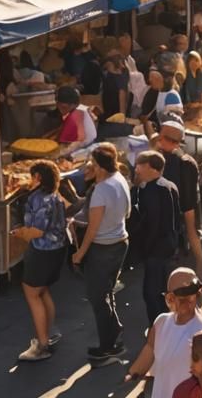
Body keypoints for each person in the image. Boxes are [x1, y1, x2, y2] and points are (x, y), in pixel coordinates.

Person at [72, 142, 131, 365]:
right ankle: (113, 334)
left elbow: (92, 229)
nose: (90, 166)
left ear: (100, 166)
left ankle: (109, 347)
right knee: (106, 293)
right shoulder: (120, 180)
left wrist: (79, 253)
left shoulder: (101, 191)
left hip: (103, 248)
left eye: (92, 164)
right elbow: (127, 213)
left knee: (98, 297)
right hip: (120, 242)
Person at [126, 268, 202, 398]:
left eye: (186, 298)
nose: (179, 303)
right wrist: (130, 375)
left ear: (197, 294)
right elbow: (150, 350)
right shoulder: (161, 322)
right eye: (172, 298)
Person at [13, 160, 69, 361]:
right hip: (57, 250)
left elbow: (36, 231)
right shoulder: (55, 195)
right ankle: (50, 331)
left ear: (37, 177)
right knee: (43, 290)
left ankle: (43, 344)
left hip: (42, 252)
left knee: (32, 293)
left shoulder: (39, 199)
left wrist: (20, 233)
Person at [130, 150, 184, 327]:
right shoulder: (168, 185)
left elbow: (152, 222)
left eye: (139, 165)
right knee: (162, 288)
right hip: (169, 244)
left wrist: (145, 248)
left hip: (156, 248)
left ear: (149, 167)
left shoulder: (152, 190)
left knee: (151, 292)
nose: (137, 169)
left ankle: (158, 328)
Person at [154, 120, 202, 278]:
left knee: (192, 236)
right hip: (180, 210)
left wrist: (189, 219)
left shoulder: (181, 163)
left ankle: (200, 271)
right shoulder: (179, 158)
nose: (158, 140)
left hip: (185, 209)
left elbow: (187, 195)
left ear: (168, 140)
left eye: (161, 137)